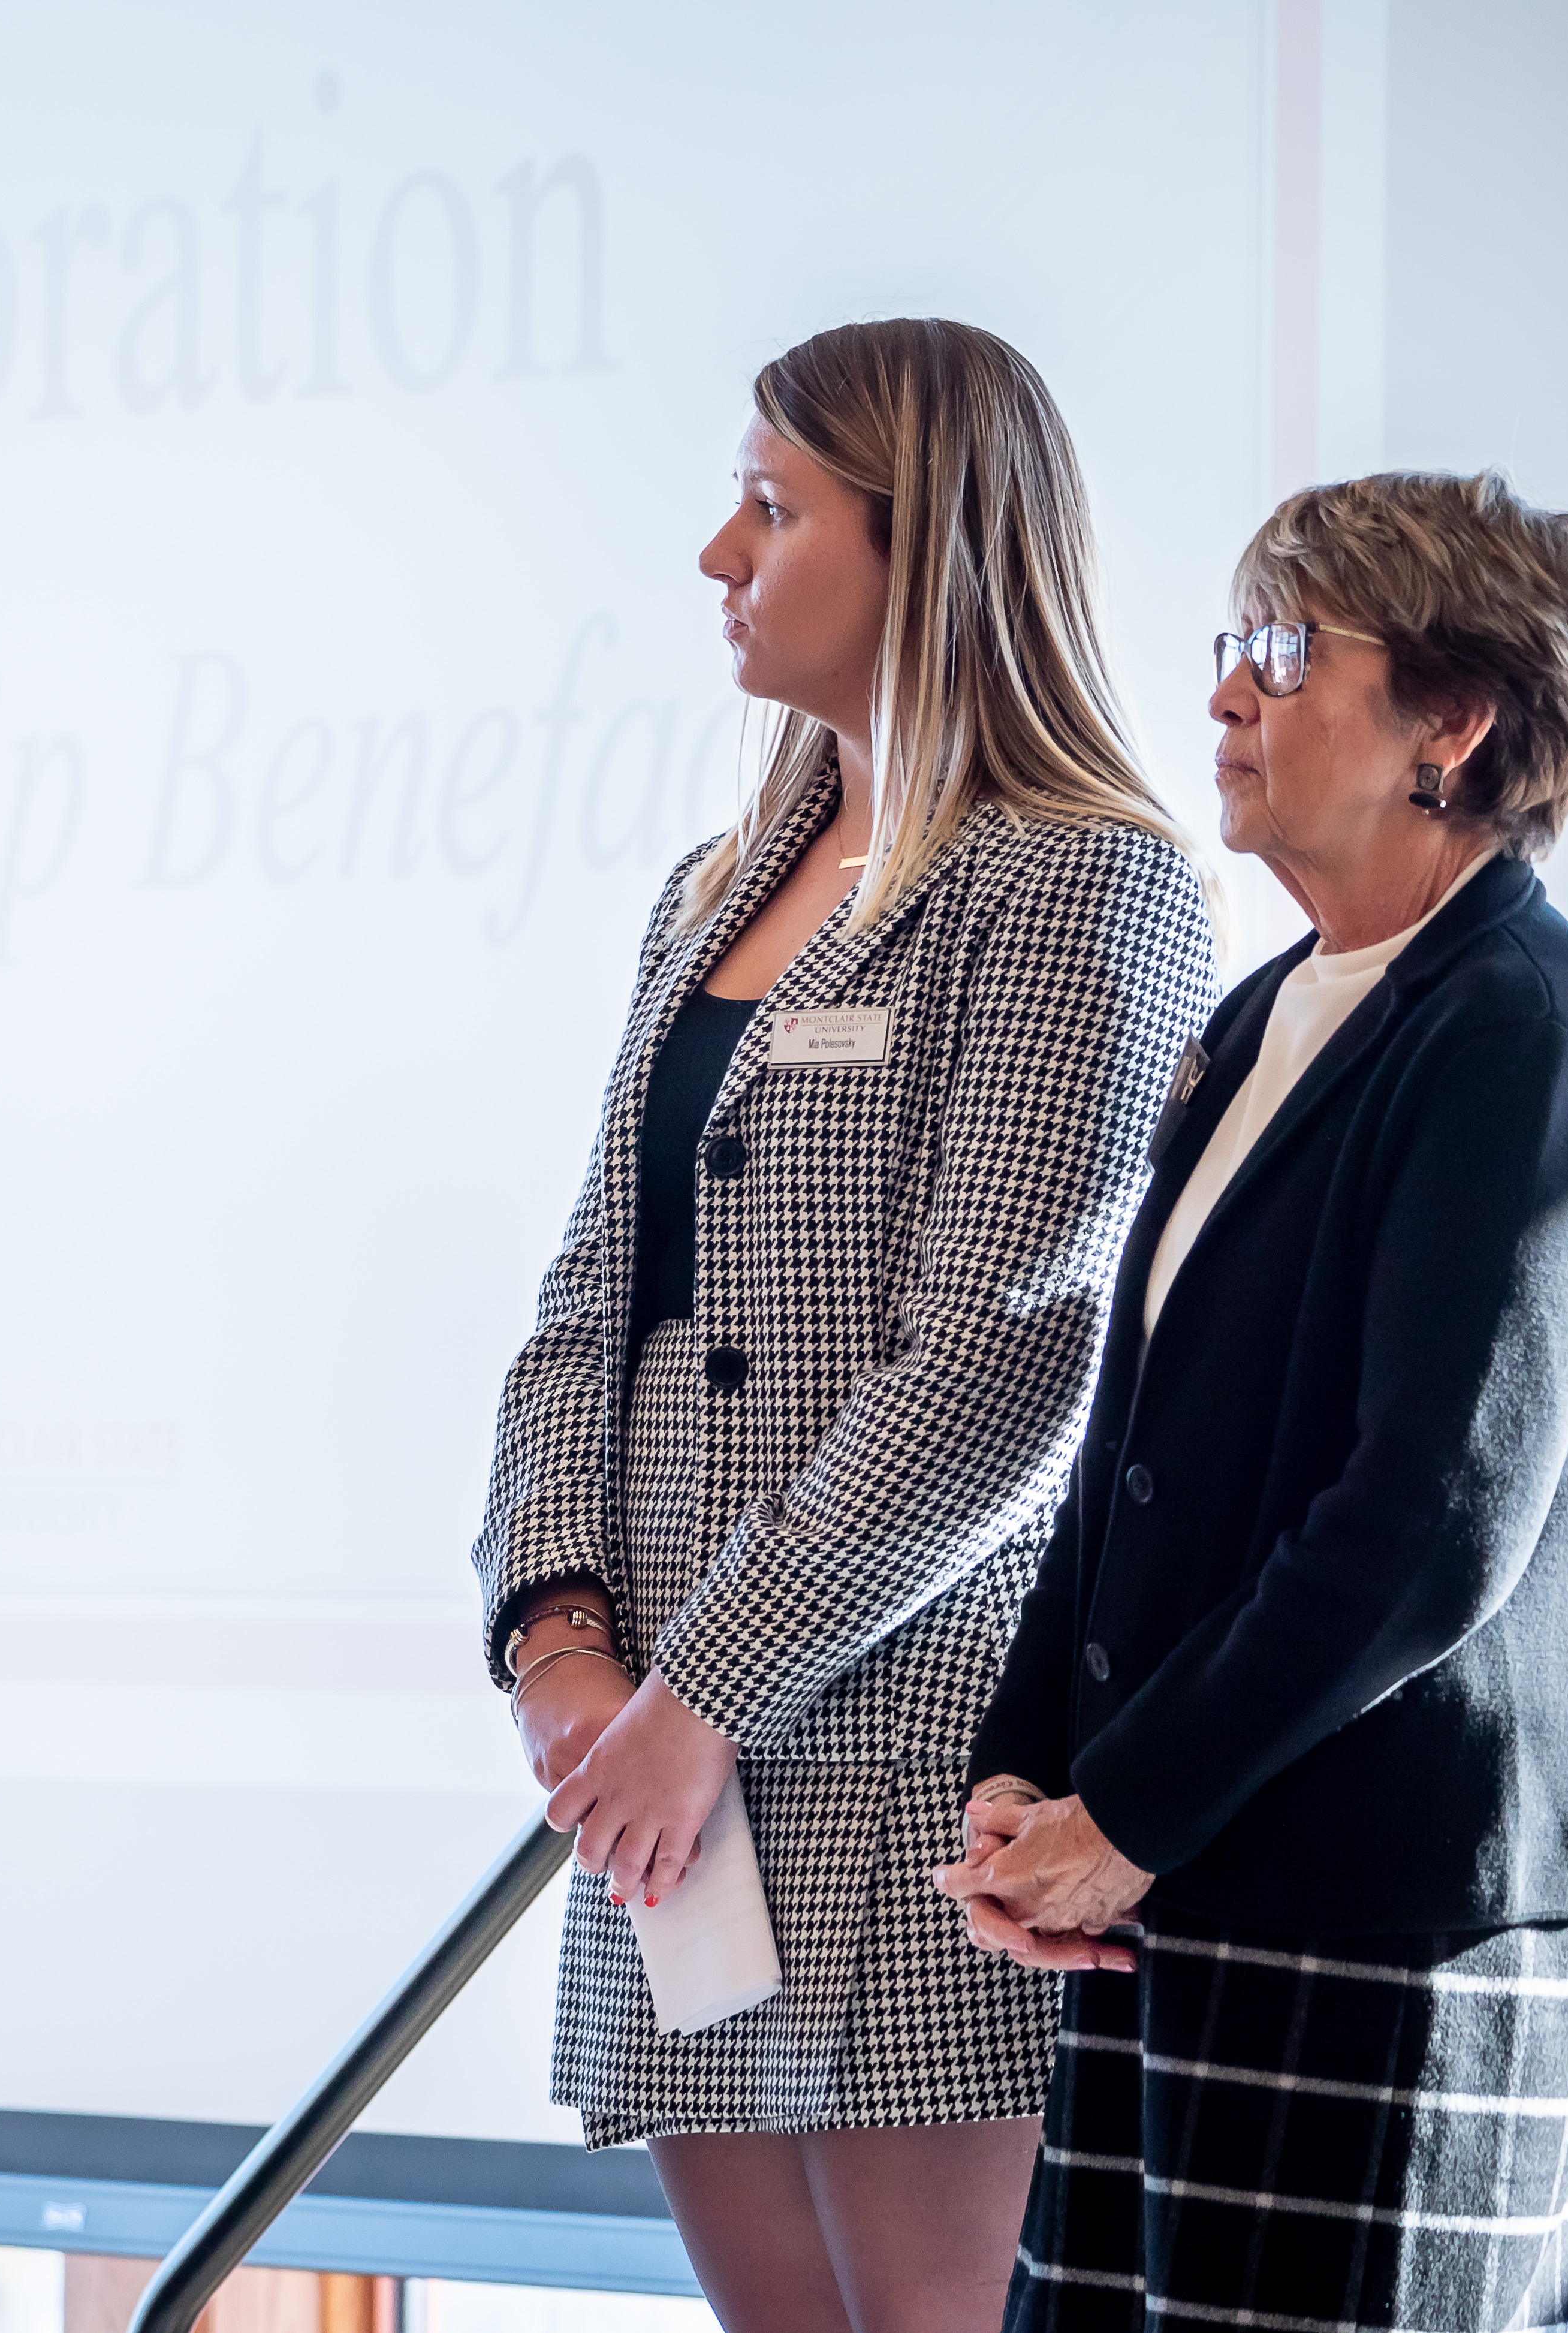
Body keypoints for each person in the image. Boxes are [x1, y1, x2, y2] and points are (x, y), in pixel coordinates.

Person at [471, 318, 1215, 2333]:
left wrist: (696, 1692)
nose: (723, 552)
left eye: (777, 508)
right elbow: (580, 1306)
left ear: (934, 546)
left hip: (900, 1758)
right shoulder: (706, 893)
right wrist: (557, 1639)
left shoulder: (1090, 887)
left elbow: (1008, 1355)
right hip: (661, 1786)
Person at [940, 470, 1568, 2332]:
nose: (1225, 698)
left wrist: (1133, 1808)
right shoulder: (1268, 1010)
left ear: (1454, 718)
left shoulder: (1525, 1032)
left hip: (1386, 1898)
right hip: (1194, 1863)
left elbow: (1429, 1522)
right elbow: (1132, 1461)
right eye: (1231, 647)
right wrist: (1027, 1769)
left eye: (1284, 650)